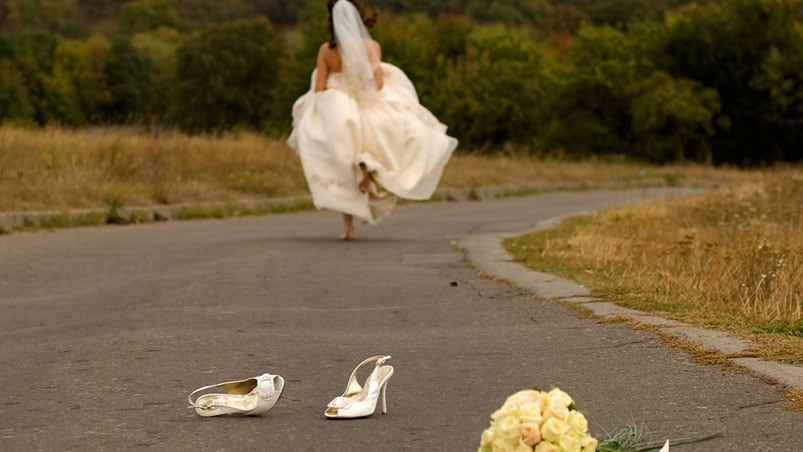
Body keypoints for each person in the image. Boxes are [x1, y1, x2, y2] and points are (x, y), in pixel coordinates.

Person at [288, 0, 458, 240]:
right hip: (367, 106)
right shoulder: (371, 46)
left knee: (339, 168)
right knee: (390, 144)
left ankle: (348, 227)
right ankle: (366, 164)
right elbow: (377, 84)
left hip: (338, 108)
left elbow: (318, 90)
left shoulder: (326, 50)